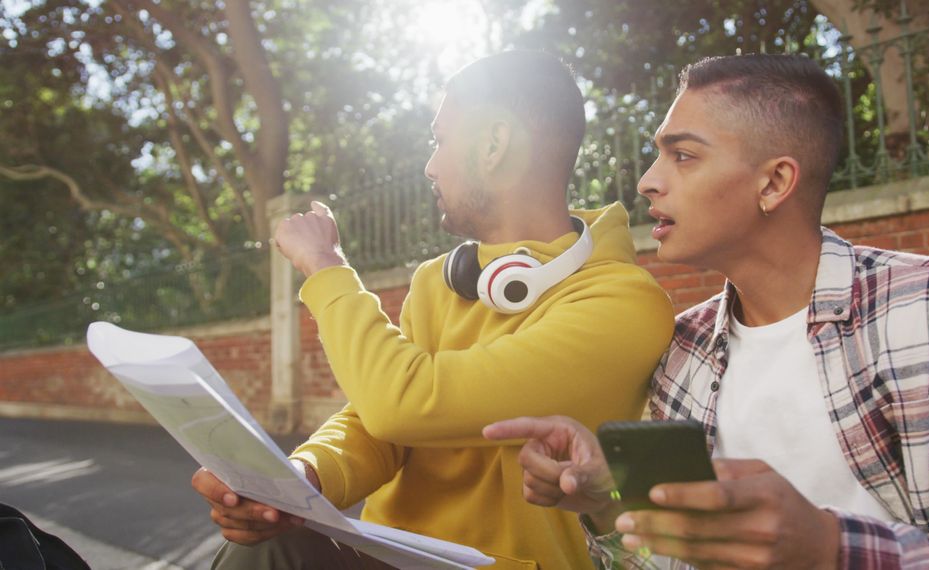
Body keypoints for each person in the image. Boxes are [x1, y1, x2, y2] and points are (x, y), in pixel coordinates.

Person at [484, 53, 929, 568]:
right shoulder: (683, 347)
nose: (646, 182)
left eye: (683, 156)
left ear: (774, 183)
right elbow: (666, 561)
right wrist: (607, 504)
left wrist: (828, 548)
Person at [191, 50, 675, 568]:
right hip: (386, 552)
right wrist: (304, 477)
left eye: (440, 140)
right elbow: (378, 429)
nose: (429, 165)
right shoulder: (438, 282)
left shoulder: (623, 304)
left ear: (494, 144)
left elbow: (403, 401)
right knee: (262, 545)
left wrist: (326, 267)